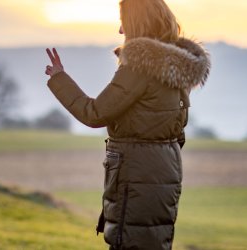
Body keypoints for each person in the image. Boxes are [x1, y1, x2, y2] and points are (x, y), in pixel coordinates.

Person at [44, 0, 210, 249]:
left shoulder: (140, 67)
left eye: (123, 22)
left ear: (136, 23)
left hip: (136, 175)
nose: (120, 31)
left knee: (129, 242)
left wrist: (59, 78)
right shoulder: (175, 67)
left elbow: (95, 113)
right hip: (164, 170)